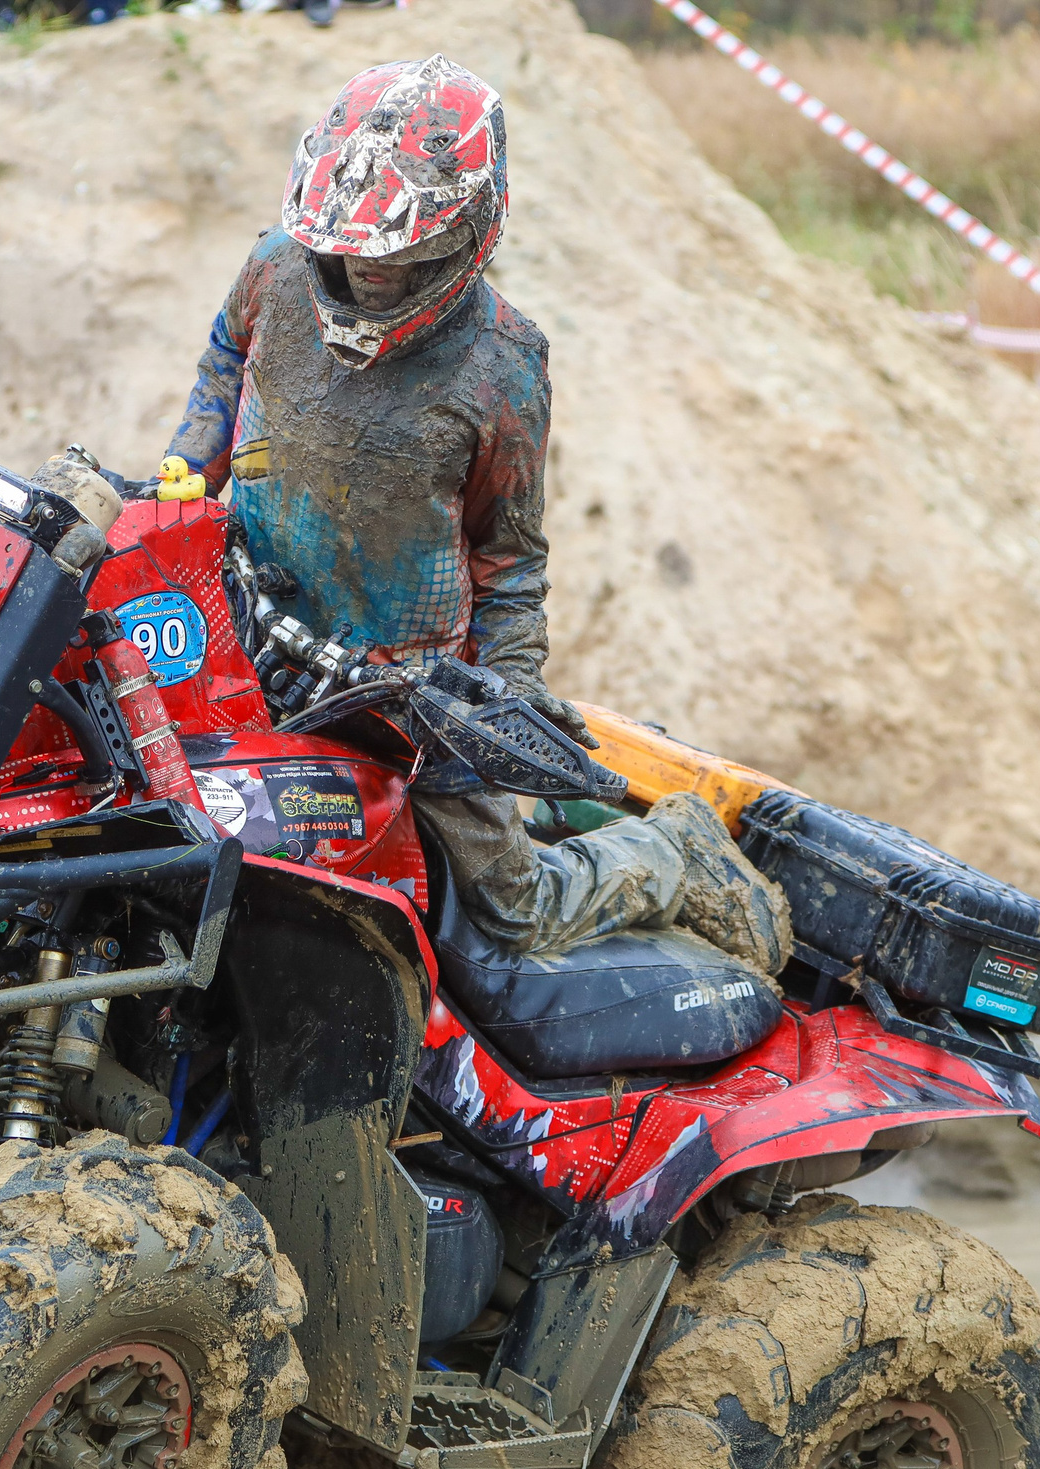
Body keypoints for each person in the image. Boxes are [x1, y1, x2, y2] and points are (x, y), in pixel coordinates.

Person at [163, 55, 787, 971]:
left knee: (511, 907)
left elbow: (512, 558)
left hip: (417, 688)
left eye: (394, 261)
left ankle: (668, 853)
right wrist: (185, 465)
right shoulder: (274, 270)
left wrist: (510, 692)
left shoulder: (503, 363)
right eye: (348, 256)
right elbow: (224, 363)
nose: (365, 276)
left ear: (462, 238)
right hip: (249, 619)